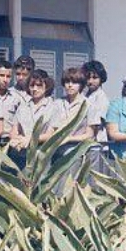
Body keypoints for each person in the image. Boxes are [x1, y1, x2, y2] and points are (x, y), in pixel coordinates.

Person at [49, 67, 100, 196]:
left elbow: (90, 134)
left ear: (81, 85)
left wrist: (69, 138)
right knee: (57, 192)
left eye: (74, 82)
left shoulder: (88, 105)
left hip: (77, 154)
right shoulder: (58, 104)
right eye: (67, 82)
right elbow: (54, 129)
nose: (70, 85)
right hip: (58, 154)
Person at [9, 69, 56, 169]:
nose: (35, 89)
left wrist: (30, 139)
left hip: (42, 156)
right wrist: (16, 140)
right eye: (32, 85)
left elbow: (51, 134)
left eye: (39, 85)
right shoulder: (23, 106)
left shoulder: (53, 107)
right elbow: (14, 129)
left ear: (46, 86)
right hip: (22, 154)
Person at [82, 60, 110, 175]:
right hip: (86, 145)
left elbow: (97, 124)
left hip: (97, 146)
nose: (91, 81)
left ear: (101, 78)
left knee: (93, 180)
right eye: (88, 78)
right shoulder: (86, 95)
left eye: (95, 78)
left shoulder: (101, 98)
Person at [0, 60, 20, 146]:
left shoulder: (16, 98)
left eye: (8, 76)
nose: (5, 80)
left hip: (9, 143)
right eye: (2, 75)